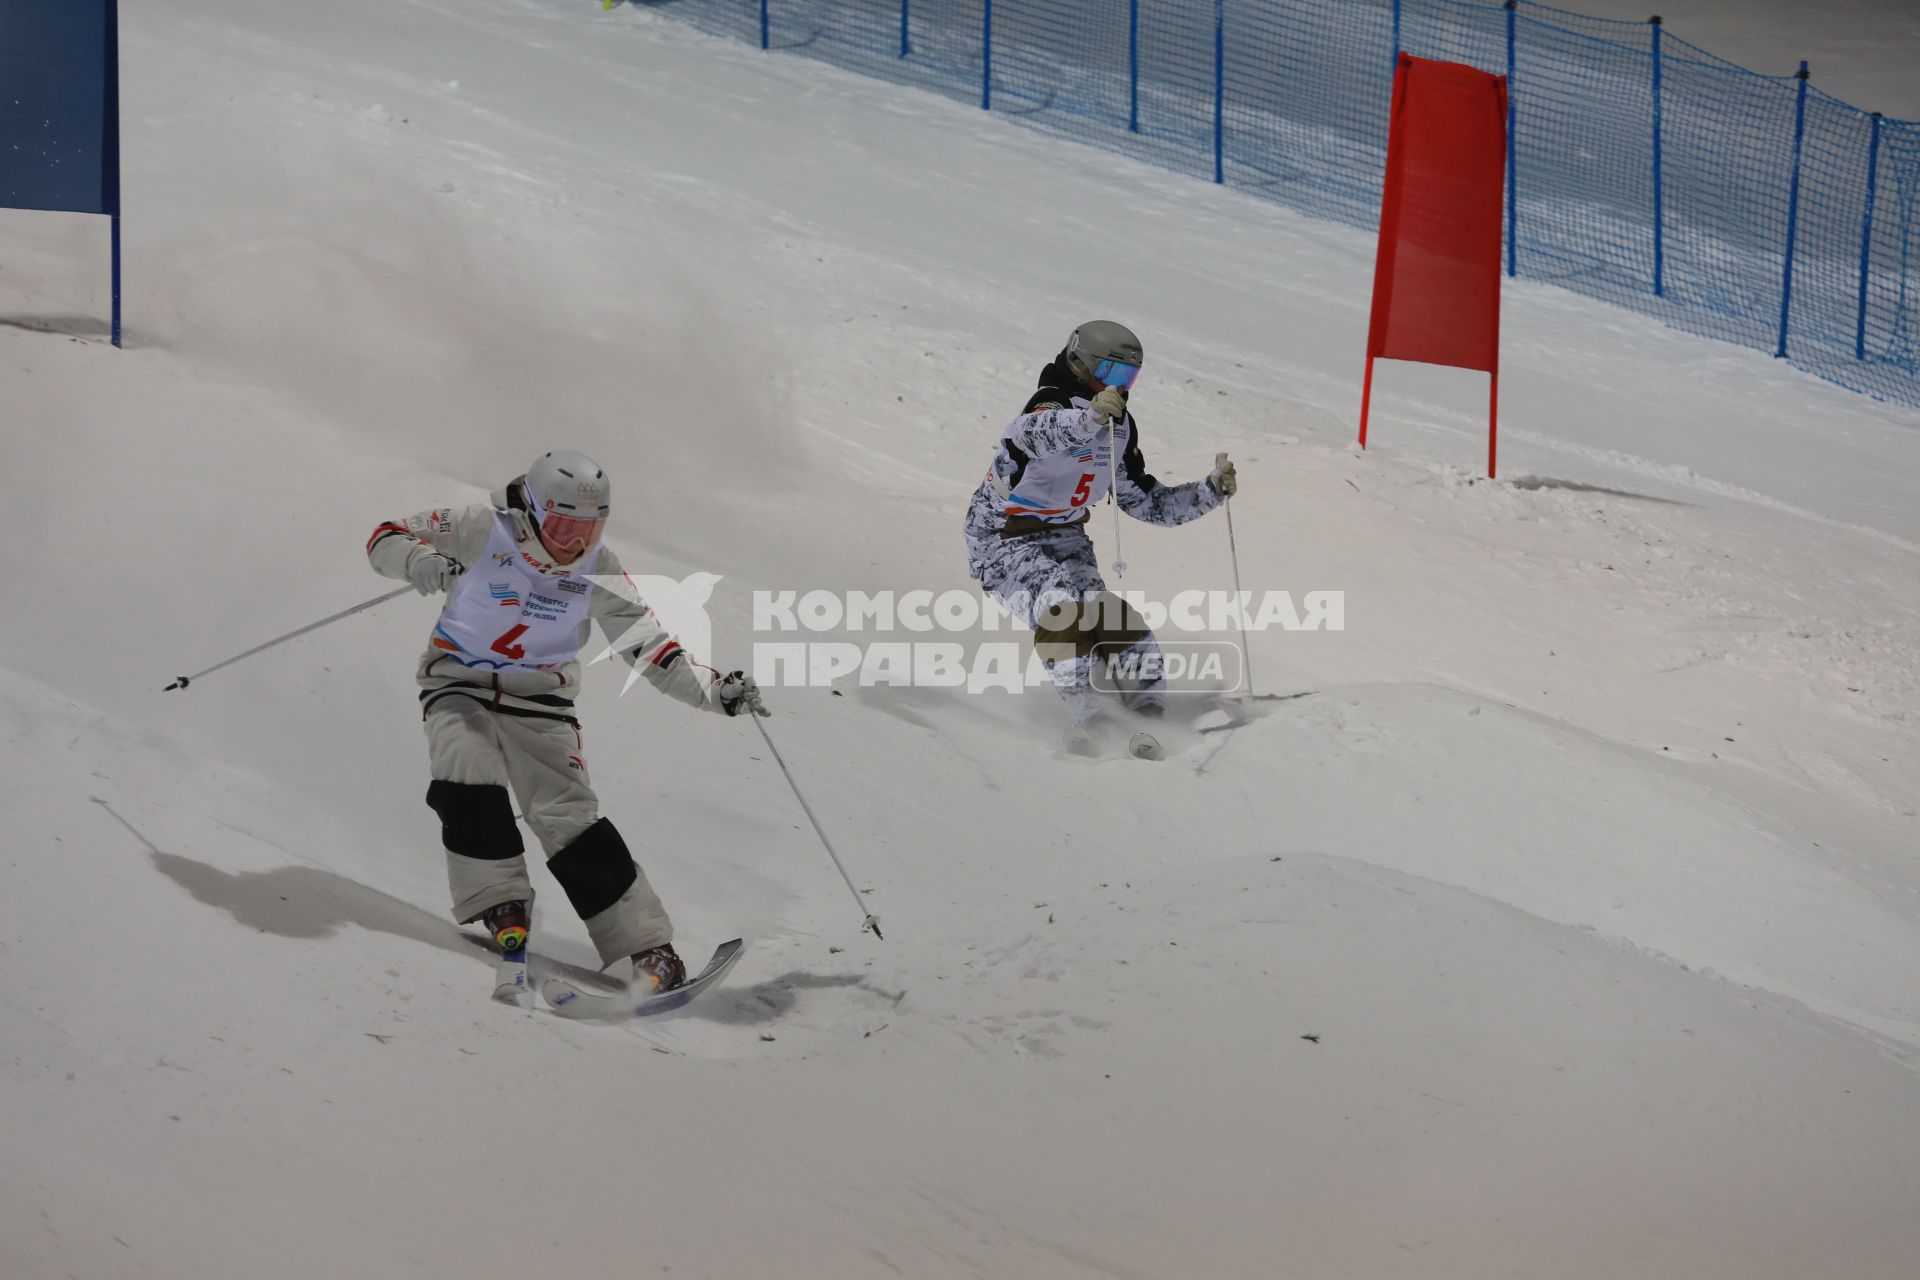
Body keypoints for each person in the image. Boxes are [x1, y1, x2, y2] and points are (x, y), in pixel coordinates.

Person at [366, 450, 767, 992]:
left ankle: (647, 948)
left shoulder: (598, 566)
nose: (573, 542)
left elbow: (647, 644)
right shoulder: (482, 528)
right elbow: (386, 536)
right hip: (458, 683)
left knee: (567, 813)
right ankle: (499, 904)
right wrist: (420, 561)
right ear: (530, 508)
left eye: (590, 527)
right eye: (562, 525)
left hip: (541, 702)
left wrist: (716, 693)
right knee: (467, 768)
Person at [963, 321, 1237, 751]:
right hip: (1002, 540)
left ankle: (1149, 716)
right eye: (1111, 374)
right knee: (1060, 607)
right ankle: (1090, 719)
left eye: (1129, 377)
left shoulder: (1119, 426)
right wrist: (1088, 418)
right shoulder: (1049, 404)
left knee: (1113, 619)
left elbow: (1144, 501)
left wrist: (1208, 492)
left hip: (1068, 538)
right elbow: (1033, 434)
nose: (1121, 388)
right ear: (1080, 362)